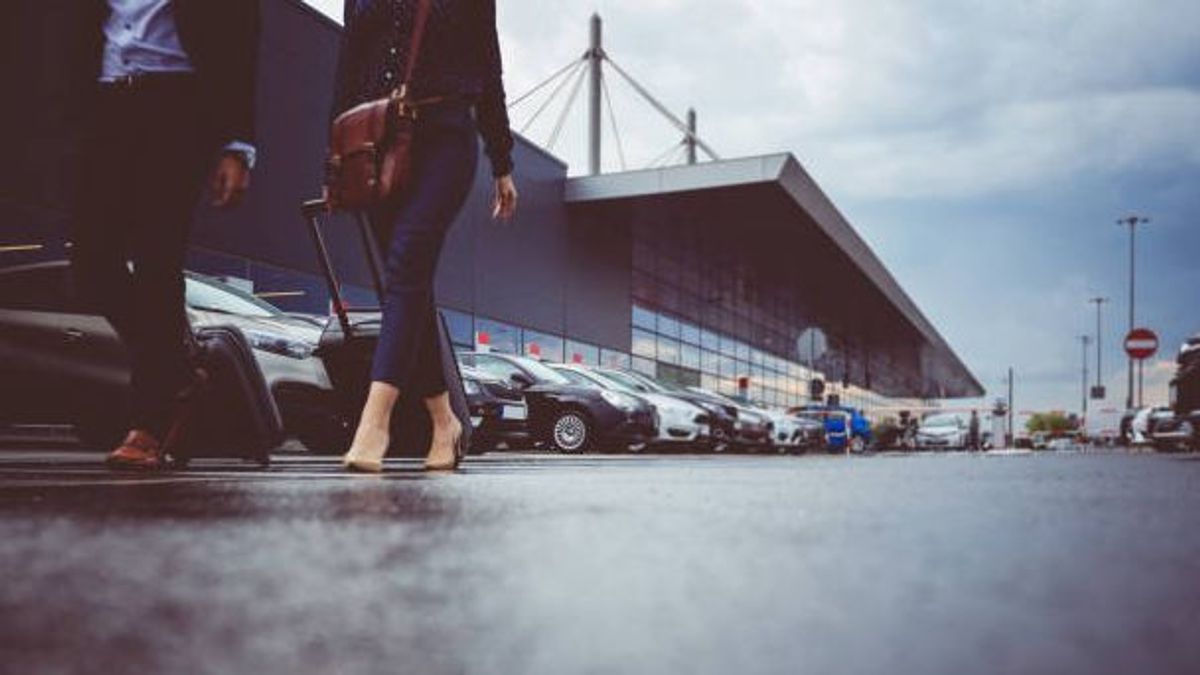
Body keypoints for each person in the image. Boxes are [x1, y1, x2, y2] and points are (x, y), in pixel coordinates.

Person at [72, 1, 261, 470]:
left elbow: (241, 32)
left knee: (158, 258)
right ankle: (178, 370)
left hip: (179, 102)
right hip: (107, 97)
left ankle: (149, 424)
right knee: (91, 266)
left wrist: (236, 144)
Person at [333, 0, 519, 472]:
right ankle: (443, 421)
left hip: (446, 140)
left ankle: (374, 423)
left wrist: (502, 162)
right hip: (375, 142)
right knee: (406, 284)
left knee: (408, 263)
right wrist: (335, 158)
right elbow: (347, 65)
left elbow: (488, 70)